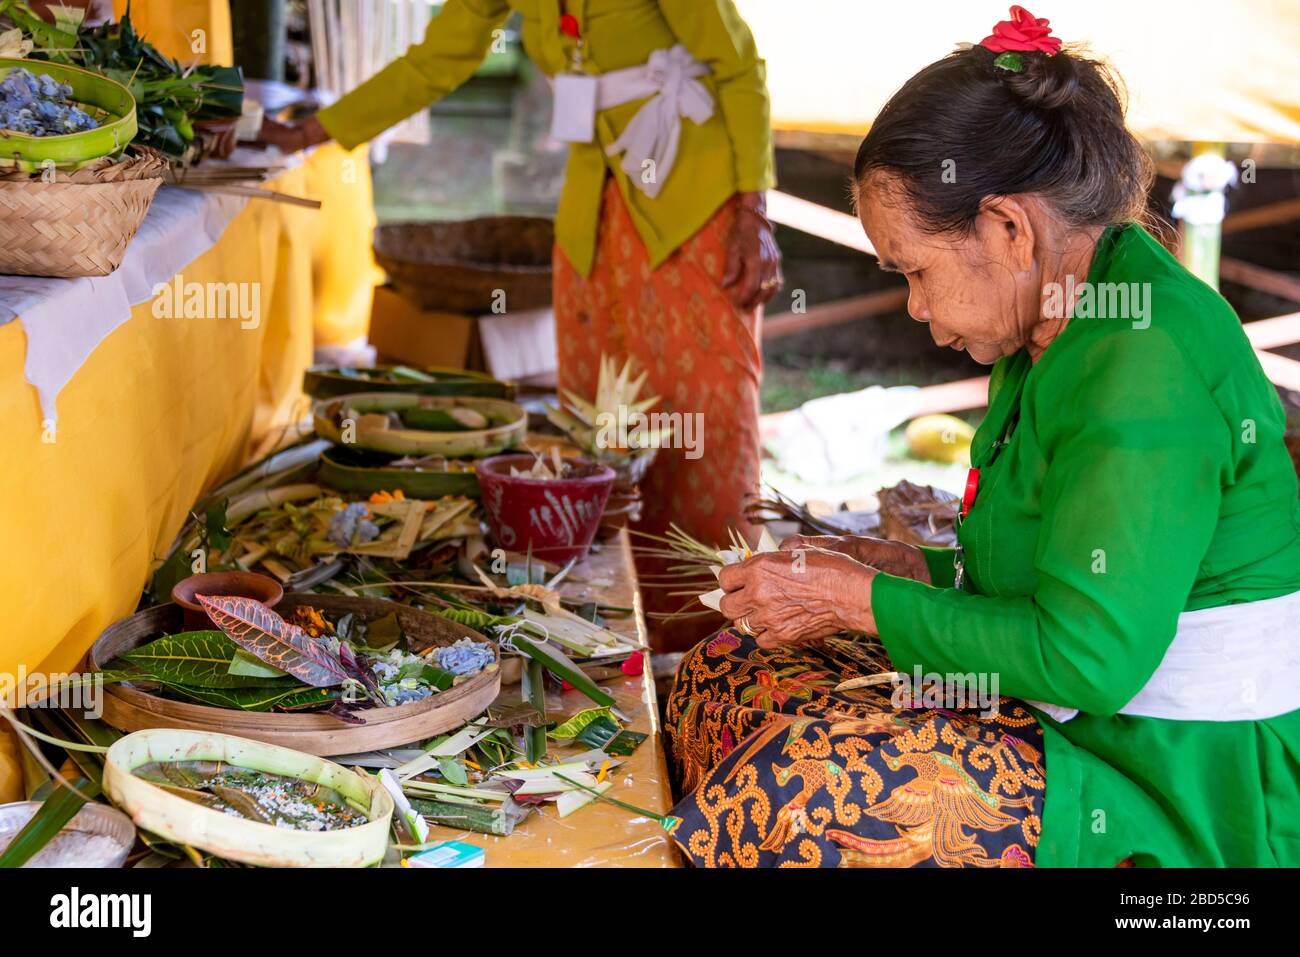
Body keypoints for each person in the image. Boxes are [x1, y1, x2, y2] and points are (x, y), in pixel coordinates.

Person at [665, 6, 1300, 867]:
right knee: (728, 675)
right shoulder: (1046, 327)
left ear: (1008, 228)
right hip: (1084, 731)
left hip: (1177, 786)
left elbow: (1085, 656)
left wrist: (856, 602)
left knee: (797, 792)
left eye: (916, 271)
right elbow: (1050, 574)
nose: (919, 309)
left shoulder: (1145, 356)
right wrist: (899, 570)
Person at [260, 1, 782, 651]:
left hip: (700, 210)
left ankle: (719, 646)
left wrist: (753, 213)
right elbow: (437, 58)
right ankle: (628, 636)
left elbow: (739, 66)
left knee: (706, 426)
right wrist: (315, 132)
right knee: (604, 426)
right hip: (595, 214)